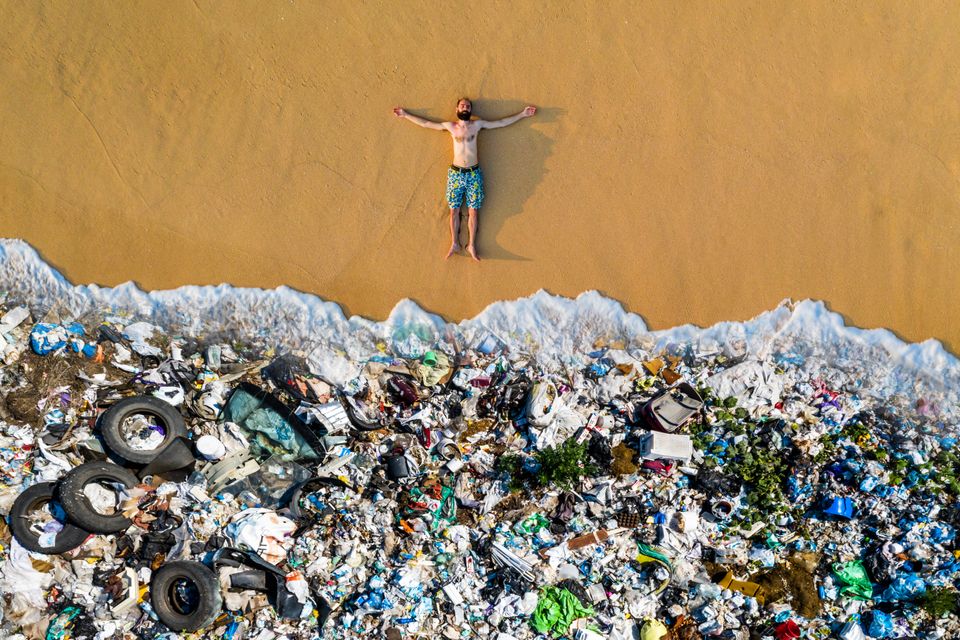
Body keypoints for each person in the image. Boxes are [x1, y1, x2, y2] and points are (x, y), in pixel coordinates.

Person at [393, 98, 536, 261]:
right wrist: (405, 114)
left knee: (473, 210)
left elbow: (501, 123)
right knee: (454, 209)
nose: (465, 108)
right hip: (456, 173)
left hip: (474, 174)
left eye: (468, 106)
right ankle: (454, 243)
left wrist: (522, 114)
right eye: (462, 105)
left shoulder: (478, 125)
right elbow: (426, 124)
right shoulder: (450, 126)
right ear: (457, 109)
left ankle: (471, 245)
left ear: (470, 110)